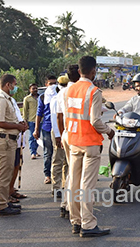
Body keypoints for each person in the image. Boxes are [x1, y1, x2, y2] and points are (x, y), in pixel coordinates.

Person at [66, 56, 114, 237]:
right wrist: (109, 131)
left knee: (73, 183)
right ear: (93, 71)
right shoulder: (94, 91)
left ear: (79, 71)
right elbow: (95, 120)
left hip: (74, 141)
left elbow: (68, 117)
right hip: (90, 143)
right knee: (87, 185)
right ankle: (88, 224)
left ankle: (76, 222)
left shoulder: (70, 90)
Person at [0, 79, 28, 202]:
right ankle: (2, 203)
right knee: (4, 173)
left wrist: (21, 124)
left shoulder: (9, 99)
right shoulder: (0, 99)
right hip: (5, 140)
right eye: (14, 85)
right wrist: (17, 126)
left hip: (13, 140)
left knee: (10, 169)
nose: (15, 87)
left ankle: (7, 197)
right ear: (7, 85)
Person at [56, 64, 80, 218]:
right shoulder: (79, 91)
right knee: (76, 173)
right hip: (78, 135)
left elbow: (59, 116)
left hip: (66, 132)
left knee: (71, 170)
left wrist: (61, 133)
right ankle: (73, 208)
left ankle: (66, 203)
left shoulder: (62, 92)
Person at [33, 76, 57, 184]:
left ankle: (58, 175)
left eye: (54, 83)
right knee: (48, 152)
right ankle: (47, 175)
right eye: (50, 83)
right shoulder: (43, 97)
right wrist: (36, 129)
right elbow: (39, 114)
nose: (53, 86)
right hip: (47, 127)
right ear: (46, 84)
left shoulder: (60, 94)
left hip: (59, 127)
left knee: (61, 153)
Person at [50, 76, 69, 200]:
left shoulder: (66, 97)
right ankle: (56, 187)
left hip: (66, 132)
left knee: (67, 161)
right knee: (58, 160)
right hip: (58, 132)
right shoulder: (56, 99)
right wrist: (58, 136)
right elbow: (55, 119)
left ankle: (65, 185)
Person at [23, 83, 40, 159]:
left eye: (36, 88)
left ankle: (35, 151)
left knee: (38, 137)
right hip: (31, 120)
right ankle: (32, 152)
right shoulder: (27, 99)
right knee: (32, 137)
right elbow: (25, 110)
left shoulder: (40, 97)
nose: (35, 90)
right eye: (33, 88)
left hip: (40, 121)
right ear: (30, 89)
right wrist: (25, 121)